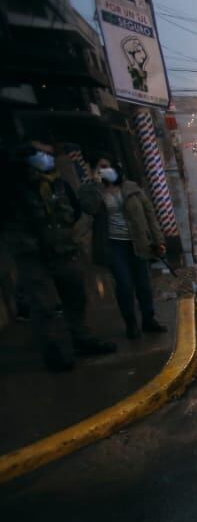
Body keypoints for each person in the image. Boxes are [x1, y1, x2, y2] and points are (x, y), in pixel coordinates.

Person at [5, 142, 115, 370]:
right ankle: (55, 353)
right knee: (44, 305)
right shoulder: (14, 187)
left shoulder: (59, 184)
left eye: (50, 154)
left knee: (75, 295)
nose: (49, 158)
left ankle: (80, 337)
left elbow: (75, 210)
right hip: (33, 255)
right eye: (43, 154)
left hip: (63, 250)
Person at [79, 156, 168, 339]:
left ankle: (149, 320)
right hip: (114, 245)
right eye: (101, 168)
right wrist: (96, 185)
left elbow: (149, 213)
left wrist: (158, 240)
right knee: (124, 284)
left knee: (143, 284)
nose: (105, 170)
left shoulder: (131, 188)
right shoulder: (93, 192)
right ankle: (131, 324)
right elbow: (90, 208)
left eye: (107, 166)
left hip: (138, 241)